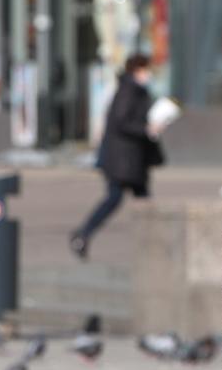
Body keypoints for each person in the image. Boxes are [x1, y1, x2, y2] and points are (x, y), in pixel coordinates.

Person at [69, 54, 165, 260]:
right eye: (146, 70)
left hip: (129, 159)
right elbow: (121, 122)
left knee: (138, 200)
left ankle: (154, 247)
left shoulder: (133, 90)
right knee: (120, 199)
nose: (149, 74)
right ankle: (83, 234)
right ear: (137, 69)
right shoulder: (129, 91)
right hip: (123, 159)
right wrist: (146, 129)